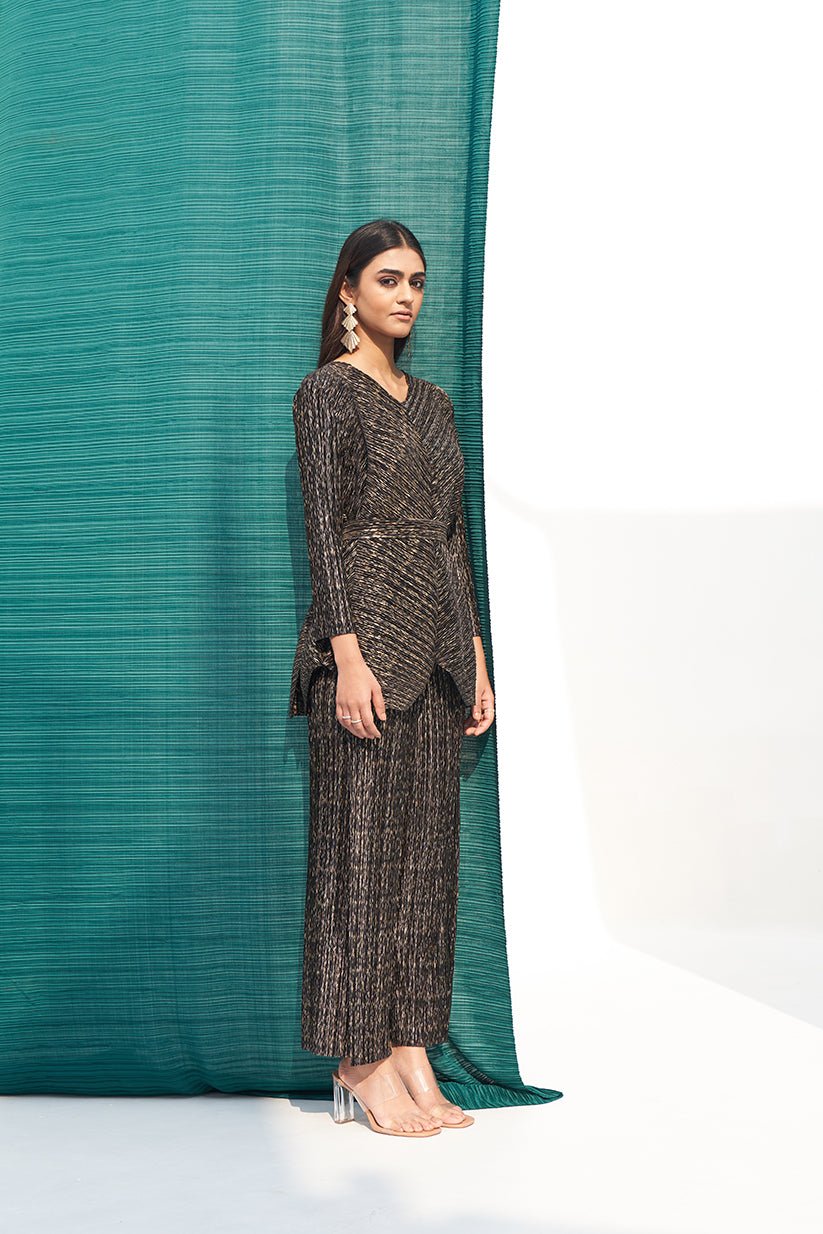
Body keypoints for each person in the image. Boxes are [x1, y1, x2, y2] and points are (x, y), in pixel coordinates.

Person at [289, 219, 495, 1138]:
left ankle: (411, 1043)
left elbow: (452, 540)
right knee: (359, 857)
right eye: (387, 279)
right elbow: (324, 533)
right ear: (348, 292)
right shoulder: (326, 393)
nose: (406, 295)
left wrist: (476, 653)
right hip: (364, 649)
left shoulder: (436, 405)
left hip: (440, 651)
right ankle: (358, 1056)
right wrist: (345, 656)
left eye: (416, 281)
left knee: (424, 866)